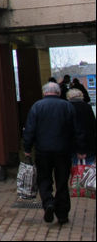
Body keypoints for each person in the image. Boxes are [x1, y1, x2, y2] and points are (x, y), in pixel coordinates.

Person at [22, 81, 86, 225]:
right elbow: (77, 130)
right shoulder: (67, 106)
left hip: (42, 151)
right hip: (63, 151)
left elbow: (29, 130)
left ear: (45, 92)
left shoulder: (37, 107)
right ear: (58, 92)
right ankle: (62, 214)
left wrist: (27, 149)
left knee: (44, 179)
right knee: (62, 182)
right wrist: (81, 150)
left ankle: (48, 203)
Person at [67, 88, 96, 164]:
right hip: (89, 143)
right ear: (81, 96)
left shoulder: (66, 107)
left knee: (75, 167)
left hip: (71, 144)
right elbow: (92, 126)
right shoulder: (87, 107)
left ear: (69, 97)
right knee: (88, 168)